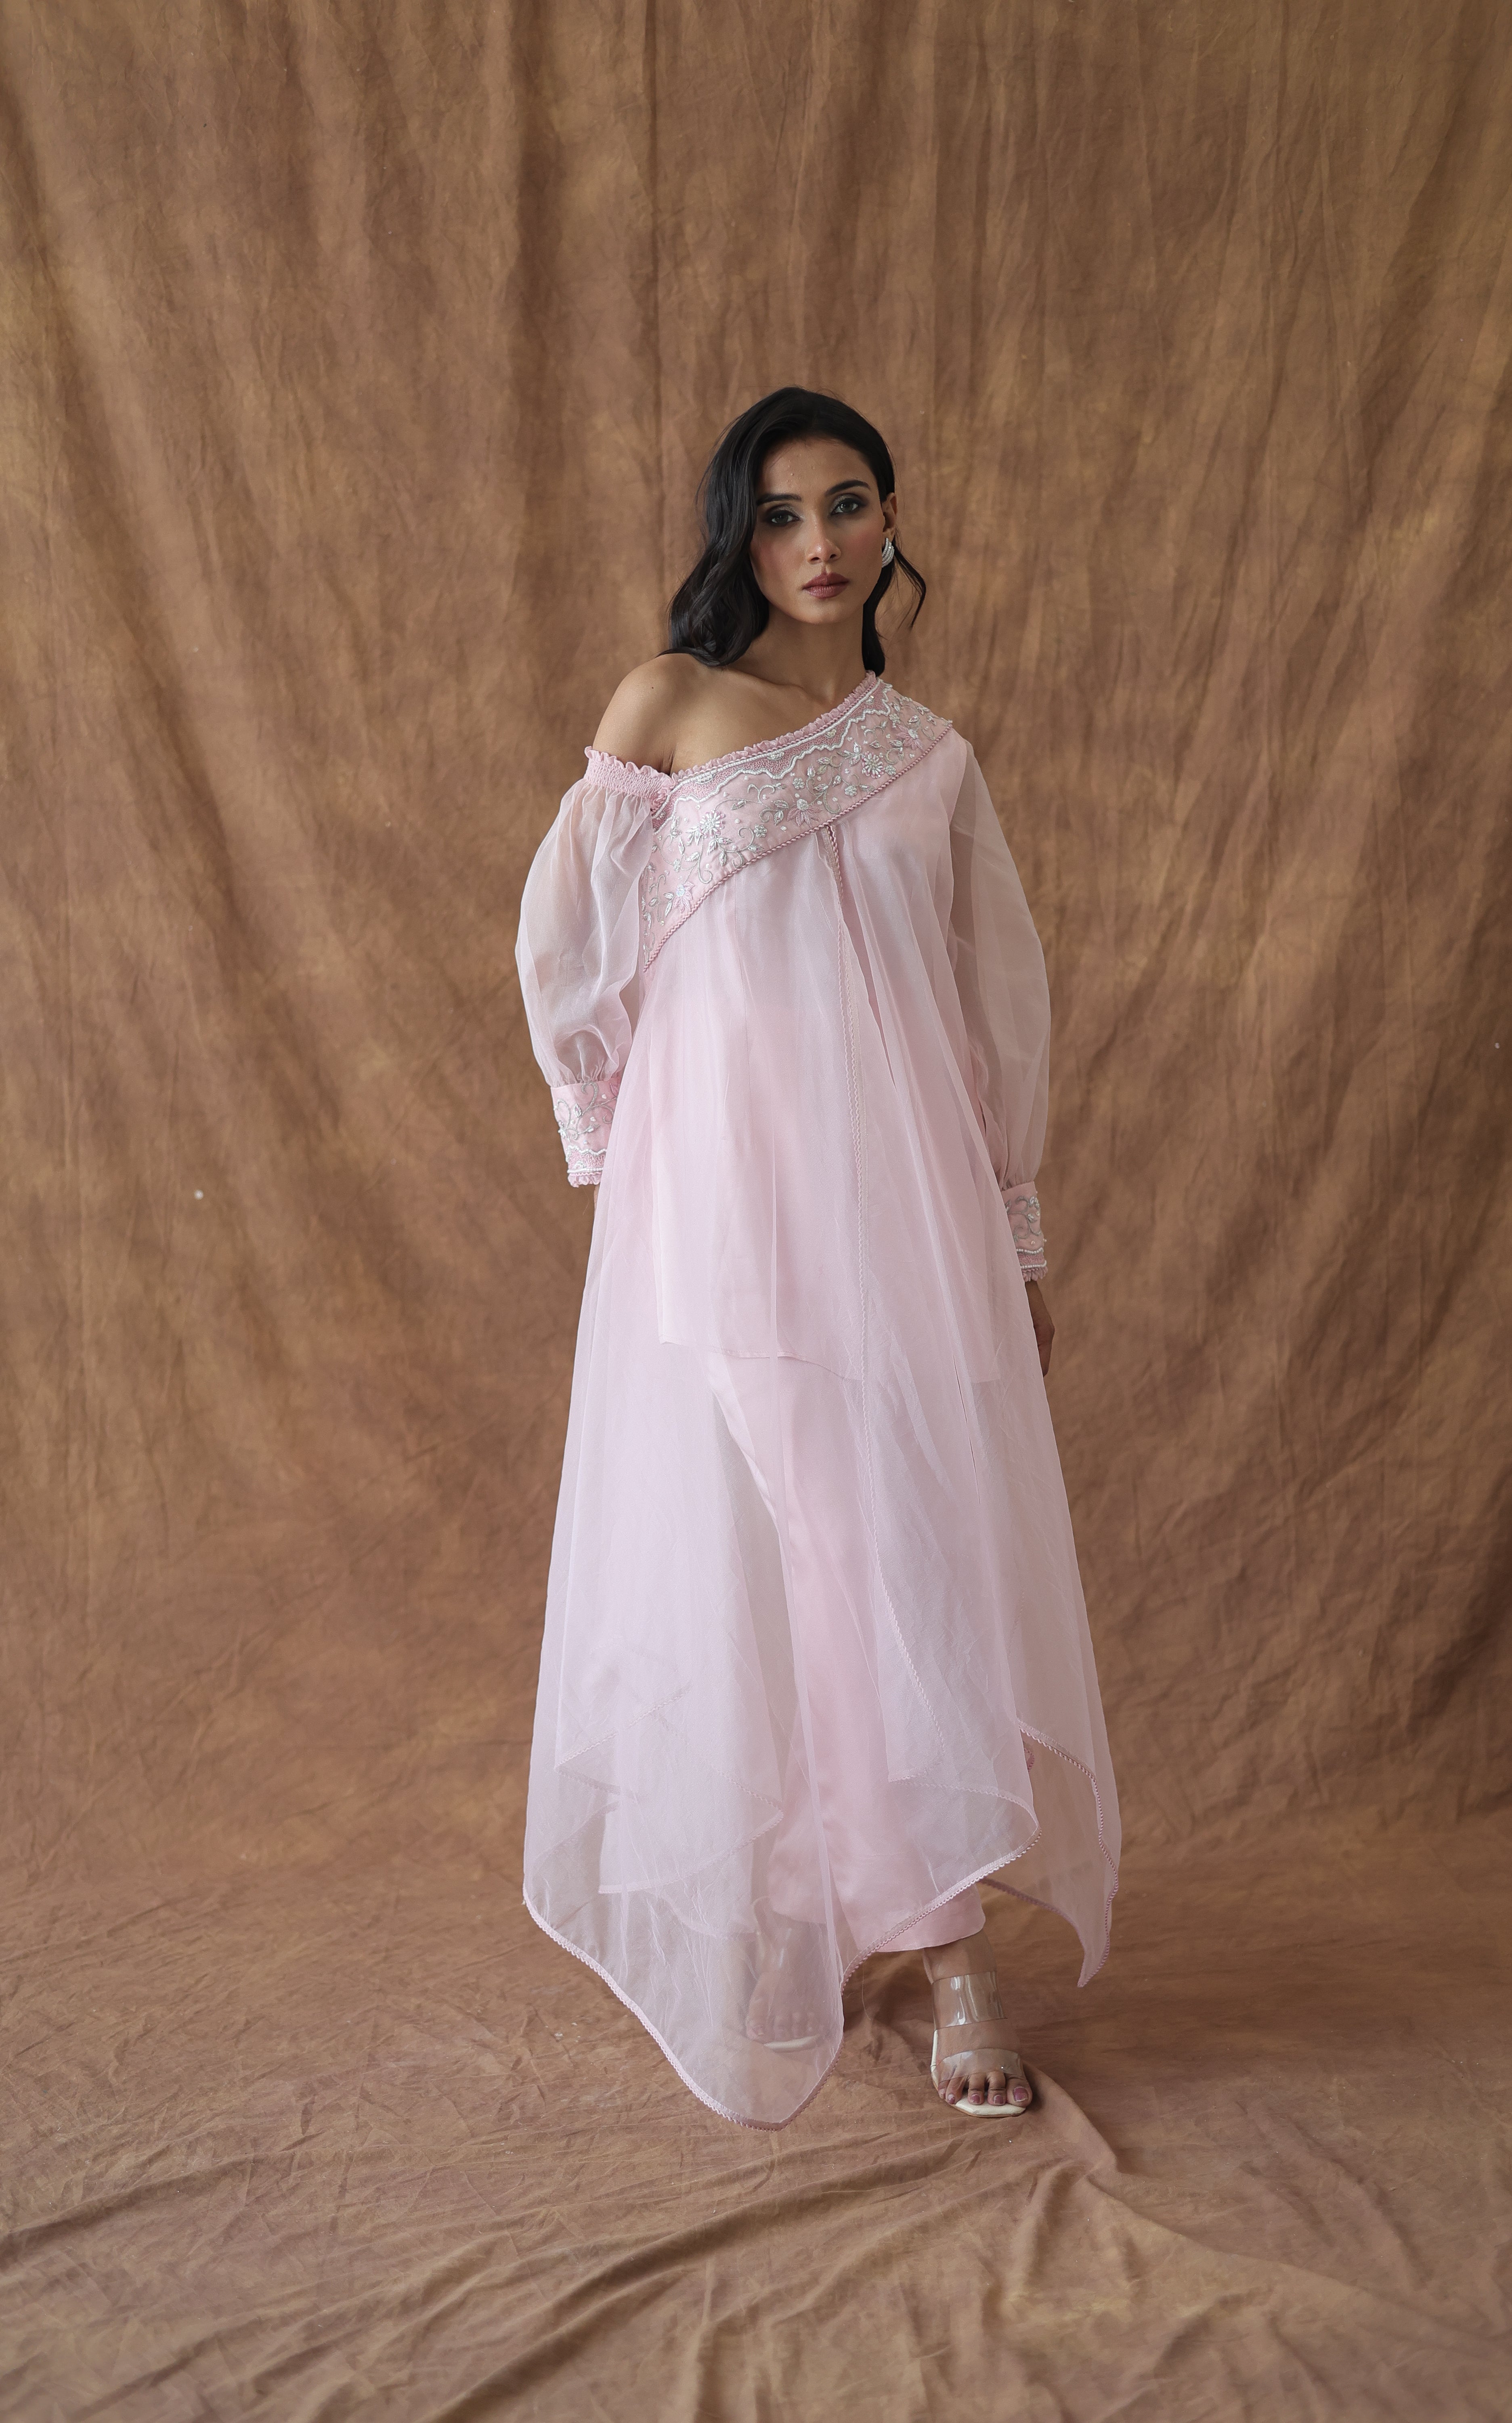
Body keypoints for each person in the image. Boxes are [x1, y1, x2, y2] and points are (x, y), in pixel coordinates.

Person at [515, 387, 1119, 2129]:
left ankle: (872, 1913)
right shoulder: (669, 705)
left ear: (889, 520)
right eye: (780, 514)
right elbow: (570, 946)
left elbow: (992, 1015)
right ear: (739, 535)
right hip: (722, 1212)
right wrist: (619, 1156)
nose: (819, 543)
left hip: (908, 1218)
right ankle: (940, 1951)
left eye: (848, 505)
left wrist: (1012, 1241)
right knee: (807, 1556)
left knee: (896, 1553)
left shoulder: (929, 758)